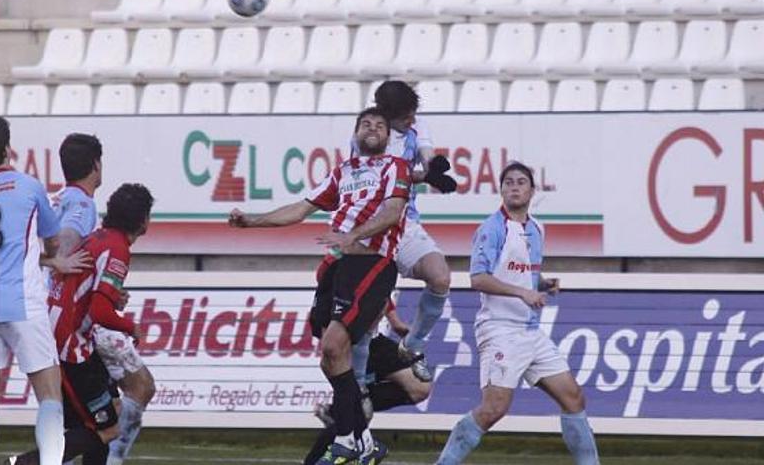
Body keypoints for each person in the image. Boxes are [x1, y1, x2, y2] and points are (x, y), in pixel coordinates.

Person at [229, 107, 410, 465]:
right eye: (366, 124)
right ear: (356, 132)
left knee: (334, 346)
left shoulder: (395, 167)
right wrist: (251, 221)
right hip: (340, 266)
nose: (372, 128)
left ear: (389, 137)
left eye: (380, 125)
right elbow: (300, 209)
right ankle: (365, 441)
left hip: (371, 262)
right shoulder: (343, 172)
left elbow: (392, 213)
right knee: (331, 359)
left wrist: (351, 235)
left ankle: (346, 439)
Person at [436, 162, 600, 465]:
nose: (514, 187)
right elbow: (478, 278)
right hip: (499, 329)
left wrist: (541, 283)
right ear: (501, 190)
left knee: (573, 397)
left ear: (532, 191)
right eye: (508, 182)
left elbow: (521, 274)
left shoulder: (537, 228)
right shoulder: (492, 228)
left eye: (520, 182)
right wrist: (524, 292)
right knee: (493, 409)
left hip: (530, 330)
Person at [7, 184, 154, 465]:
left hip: (65, 337)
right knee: (107, 427)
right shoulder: (118, 248)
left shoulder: (100, 238)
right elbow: (99, 311)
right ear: (144, 220)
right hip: (68, 346)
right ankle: (23, 463)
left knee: (105, 416)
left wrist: (113, 301)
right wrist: (130, 326)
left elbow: (90, 295)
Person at [0, 116, 67, 465]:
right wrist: (50, 259)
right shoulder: (30, 186)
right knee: (49, 393)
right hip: (23, 302)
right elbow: (52, 243)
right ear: (7, 149)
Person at [50, 134, 156, 465]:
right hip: (73, 331)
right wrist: (129, 324)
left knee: (96, 417)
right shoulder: (83, 207)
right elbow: (96, 306)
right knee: (122, 406)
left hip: (58, 319)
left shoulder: (62, 202)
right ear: (96, 164)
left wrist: (102, 290)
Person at [366, 81, 457, 383]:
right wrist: (422, 176)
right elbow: (384, 177)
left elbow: (427, 154)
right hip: (368, 230)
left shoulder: (416, 127)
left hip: (405, 225)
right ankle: (357, 389)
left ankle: (413, 344)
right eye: (405, 118)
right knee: (368, 319)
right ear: (386, 116)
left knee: (440, 276)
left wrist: (434, 168)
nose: (412, 121)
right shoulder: (368, 135)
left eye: (413, 115)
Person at [304, 299, 432, 465]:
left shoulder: (378, 276)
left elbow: (380, 286)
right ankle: (314, 459)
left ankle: (338, 409)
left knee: (420, 387)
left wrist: (394, 320)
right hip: (352, 341)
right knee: (358, 412)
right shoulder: (336, 276)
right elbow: (325, 300)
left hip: (373, 341)